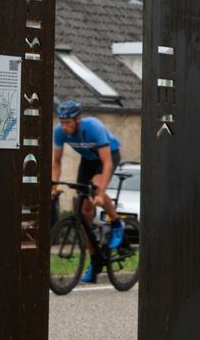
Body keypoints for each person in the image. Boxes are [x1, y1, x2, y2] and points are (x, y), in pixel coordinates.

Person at [52, 99, 125, 283]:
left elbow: (107, 162)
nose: (65, 127)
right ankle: (95, 261)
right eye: (62, 122)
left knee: (95, 186)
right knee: (84, 211)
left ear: (78, 120)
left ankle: (116, 223)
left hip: (108, 156)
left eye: (68, 123)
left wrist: (100, 192)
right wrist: (54, 185)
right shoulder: (59, 132)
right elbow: (56, 162)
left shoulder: (93, 127)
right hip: (88, 161)